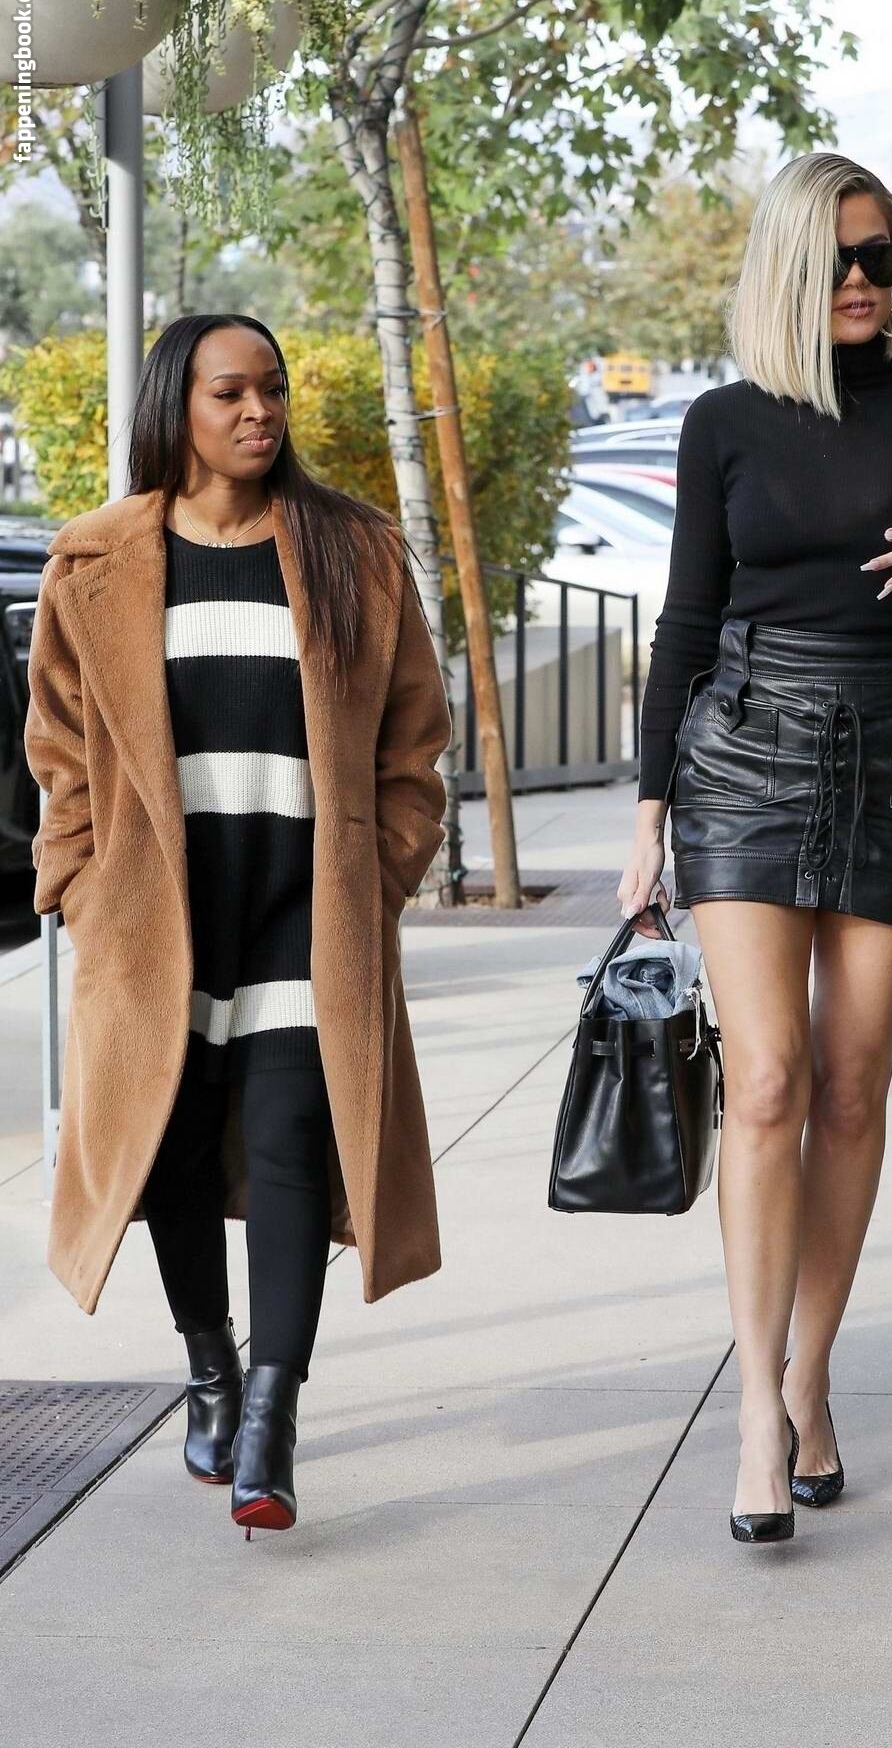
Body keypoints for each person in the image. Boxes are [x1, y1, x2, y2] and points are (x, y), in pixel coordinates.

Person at [618, 153, 892, 1544]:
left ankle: (811, 1376)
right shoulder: (727, 422)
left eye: (884, 258)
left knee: (852, 1088)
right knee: (765, 1084)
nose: (865, 281)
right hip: (745, 753)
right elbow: (686, 618)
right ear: (790, 270)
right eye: (840, 259)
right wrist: (650, 809)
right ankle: (756, 1409)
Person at [24, 313, 452, 1538]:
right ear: (179, 406)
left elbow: (415, 743)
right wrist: (80, 882)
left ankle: (271, 1415)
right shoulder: (96, 558)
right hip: (157, 915)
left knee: (290, 1139)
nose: (259, 412)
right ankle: (210, 1363)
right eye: (231, 393)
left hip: (306, 910)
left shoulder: (353, 551)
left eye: (272, 389)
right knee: (167, 1143)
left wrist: (382, 875)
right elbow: (60, 751)